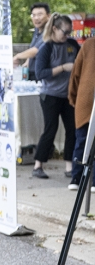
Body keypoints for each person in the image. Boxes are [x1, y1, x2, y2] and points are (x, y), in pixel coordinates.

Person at [32, 13, 80, 180]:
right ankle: (38, 164)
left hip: (68, 95)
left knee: (72, 130)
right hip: (50, 95)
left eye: (69, 32)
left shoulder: (73, 45)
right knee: (50, 129)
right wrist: (62, 68)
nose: (67, 36)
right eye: (64, 32)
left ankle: (69, 165)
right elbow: (40, 73)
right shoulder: (46, 48)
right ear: (54, 29)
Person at [68, 33, 95, 190]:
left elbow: (75, 74)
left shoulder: (88, 44)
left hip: (85, 100)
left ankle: (76, 178)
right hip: (87, 100)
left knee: (82, 141)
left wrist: (73, 98)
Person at [13, 3, 51, 70]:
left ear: (48, 16)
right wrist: (27, 63)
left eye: (40, 15)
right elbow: (32, 50)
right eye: (33, 15)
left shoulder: (50, 31)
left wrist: (18, 56)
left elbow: (36, 50)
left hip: (44, 74)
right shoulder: (37, 30)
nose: (36, 18)